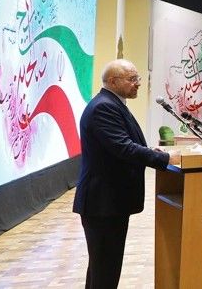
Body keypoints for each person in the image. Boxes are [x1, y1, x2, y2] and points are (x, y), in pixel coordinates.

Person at [73, 59, 178, 289]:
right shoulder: (104, 107)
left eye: (137, 78)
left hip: (109, 203)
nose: (138, 84)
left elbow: (124, 143)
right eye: (132, 79)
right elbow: (123, 148)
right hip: (102, 203)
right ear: (113, 81)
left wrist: (151, 151)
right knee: (105, 270)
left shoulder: (113, 103)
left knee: (103, 268)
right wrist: (166, 159)